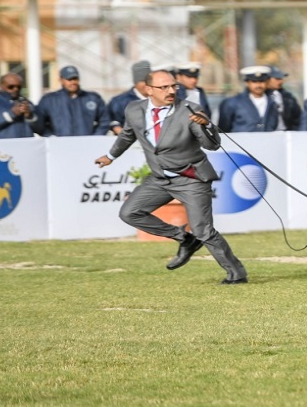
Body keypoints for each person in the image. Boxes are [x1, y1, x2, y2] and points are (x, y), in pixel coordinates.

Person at [93, 70, 247, 285]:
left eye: (174, 86)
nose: (171, 91)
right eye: (164, 87)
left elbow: (212, 145)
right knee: (130, 213)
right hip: (160, 179)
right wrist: (110, 156)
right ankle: (185, 238)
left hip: (191, 177)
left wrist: (206, 125)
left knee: (203, 230)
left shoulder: (191, 110)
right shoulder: (134, 109)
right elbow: (128, 134)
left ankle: (236, 273)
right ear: (148, 90)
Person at [36, 65, 110, 136]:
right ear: (61, 80)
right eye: (69, 79)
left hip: (87, 145)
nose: (73, 82)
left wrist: (95, 137)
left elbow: (104, 121)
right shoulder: (49, 100)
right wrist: (51, 137)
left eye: (75, 79)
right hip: (59, 145)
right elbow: (39, 124)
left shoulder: (93, 98)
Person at [217, 66, 280, 133]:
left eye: (262, 81)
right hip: (241, 142)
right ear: (247, 83)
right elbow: (224, 129)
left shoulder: (273, 102)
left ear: (267, 82)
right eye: (254, 82)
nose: (258, 85)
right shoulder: (232, 103)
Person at [0, 73, 42, 139]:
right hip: (2, 147)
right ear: (2, 86)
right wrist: (11, 114)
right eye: (11, 87)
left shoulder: (27, 104)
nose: (16, 89)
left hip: (25, 147)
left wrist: (30, 116)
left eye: (19, 87)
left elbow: (40, 130)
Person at [108, 60, 151, 135]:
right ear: (135, 82)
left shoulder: (159, 98)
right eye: (143, 81)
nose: (146, 84)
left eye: (149, 81)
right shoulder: (120, 101)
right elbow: (111, 120)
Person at [266, 65, 302, 131]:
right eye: (277, 79)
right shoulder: (261, 97)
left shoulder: (288, 97)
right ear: (267, 79)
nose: (281, 81)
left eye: (281, 79)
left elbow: (297, 117)